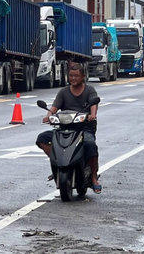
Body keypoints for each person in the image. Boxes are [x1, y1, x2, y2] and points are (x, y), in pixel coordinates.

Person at [36, 63, 102, 193]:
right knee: (42, 138)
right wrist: (48, 115)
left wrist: (92, 115)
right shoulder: (63, 92)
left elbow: (94, 104)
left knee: (90, 145)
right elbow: (54, 108)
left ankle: (93, 177)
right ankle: (58, 164)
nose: (73, 78)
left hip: (84, 129)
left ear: (83, 76)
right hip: (64, 129)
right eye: (71, 76)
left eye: (76, 76)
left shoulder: (89, 90)